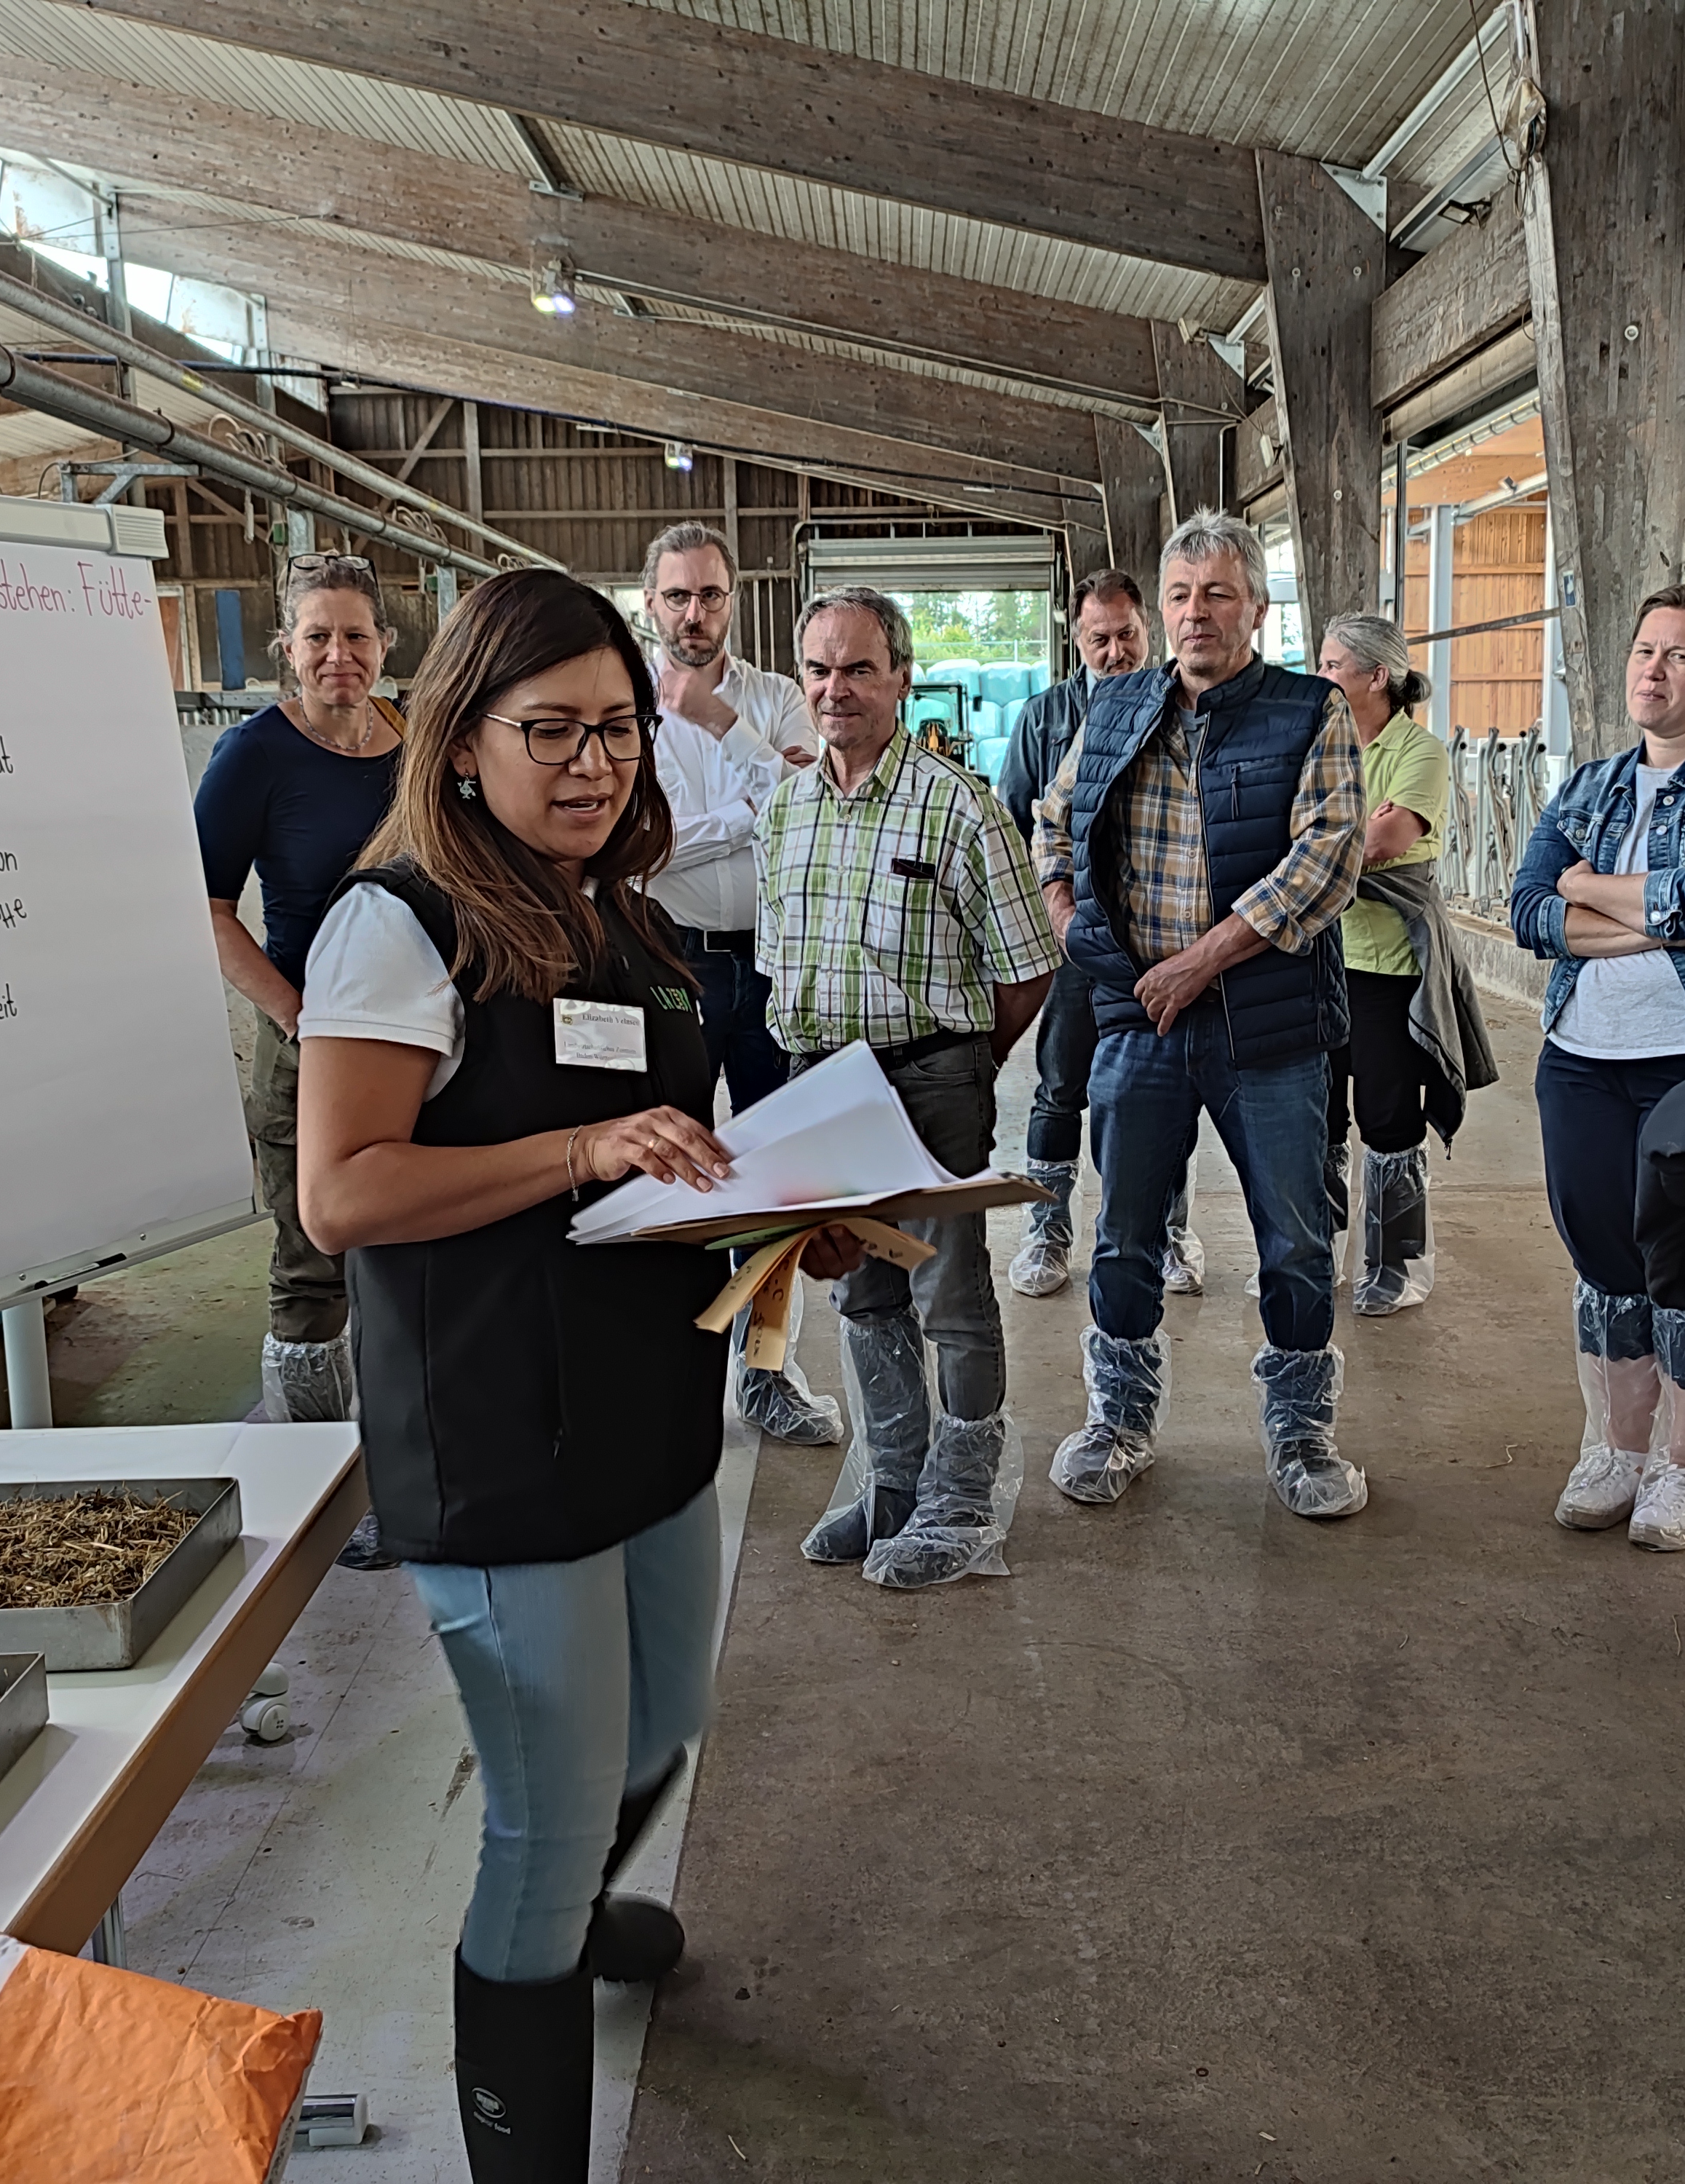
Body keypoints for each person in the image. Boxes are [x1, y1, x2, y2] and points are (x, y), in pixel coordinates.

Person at [295, 569, 868, 2182]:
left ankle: (578, 1900)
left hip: (642, 1413)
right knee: (537, 1838)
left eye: (614, 729)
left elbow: (657, 1162)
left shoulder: (622, 913)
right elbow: (342, 1194)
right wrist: (574, 1149)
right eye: (547, 729)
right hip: (500, 1439)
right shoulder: (394, 925)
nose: (591, 763)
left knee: (657, 1718)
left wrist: (775, 1225)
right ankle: (532, 2049)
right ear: (456, 738)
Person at [1035, 510, 1369, 1521]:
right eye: (1180, 595)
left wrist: (1203, 963)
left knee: (1295, 1236)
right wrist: (1068, 924)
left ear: (1258, 609)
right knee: (1125, 1230)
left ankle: (1301, 1433)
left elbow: (1329, 859)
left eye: (1217, 594)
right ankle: (1119, 1419)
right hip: (1139, 1017)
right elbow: (1054, 823)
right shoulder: (1119, 704)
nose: (1195, 614)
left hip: (1266, 1025)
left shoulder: (1311, 711)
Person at [755, 585, 1063, 1588]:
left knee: (950, 1294)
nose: (836, 689)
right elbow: (780, 961)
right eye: (819, 669)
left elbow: (1026, 969)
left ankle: (964, 1505)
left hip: (930, 1076)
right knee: (862, 1285)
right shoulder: (786, 808)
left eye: (858, 668)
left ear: (900, 680)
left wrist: (965, 1070)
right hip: (823, 1084)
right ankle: (896, 1484)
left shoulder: (960, 805)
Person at [1509, 585, 1685, 1552]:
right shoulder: (1590, 784)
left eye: (1681, 656)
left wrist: (1590, 891)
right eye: (1644, 651)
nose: (1654, 672)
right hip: (1582, 1055)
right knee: (1606, 1259)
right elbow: (1529, 910)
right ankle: (1619, 1450)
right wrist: (1627, 916)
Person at [192, 555, 402, 1562]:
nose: (338, 655)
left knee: (410, 1261)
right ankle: (328, 1495)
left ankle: (408, 1471)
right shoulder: (254, 756)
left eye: (356, 636)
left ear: (385, 646)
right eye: (317, 637)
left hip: (420, 1042)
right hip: (313, 1048)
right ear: (286, 648)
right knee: (313, 1268)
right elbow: (210, 908)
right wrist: (295, 1013)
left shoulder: (418, 743)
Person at [632, 521, 842, 1450]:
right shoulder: (623, 707)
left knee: (772, 1170)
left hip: (772, 958)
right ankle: (660, 1370)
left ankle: (765, 1371)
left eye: (710, 594)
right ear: (651, 603)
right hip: (664, 957)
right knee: (664, 1163)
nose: (694, 613)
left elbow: (815, 799)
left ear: (732, 598)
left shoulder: (777, 698)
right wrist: (751, 809)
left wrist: (725, 728)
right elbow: (637, 846)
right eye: (677, 596)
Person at [999, 569, 1213, 1298]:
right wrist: (1055, 926)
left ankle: (1169, 1230)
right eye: (1099, 639)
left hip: (1164, 945)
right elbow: (1019, 825)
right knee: (1061, 1085)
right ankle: (1047, 1230)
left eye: (1127, 636)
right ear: (1076, 640)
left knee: (1165, 1091)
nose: (1115, 652)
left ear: (1147, 630)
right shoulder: (1044, 717)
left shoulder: (1185, 707)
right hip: (1074, 944)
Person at [1319, 610, 1480, 1317]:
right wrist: (1341, 833)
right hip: (1321, 957)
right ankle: (1313, 1251)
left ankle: (1395, 1264)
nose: (1320, 678)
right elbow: (1287, 828)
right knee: (1314, 1116)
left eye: (1332, 666)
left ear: (1375, 676)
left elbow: (1382, 842)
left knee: (1386, 1116)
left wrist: (1324, 834)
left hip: (1385, 966)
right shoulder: (1320, 745)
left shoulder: (1418, 753)